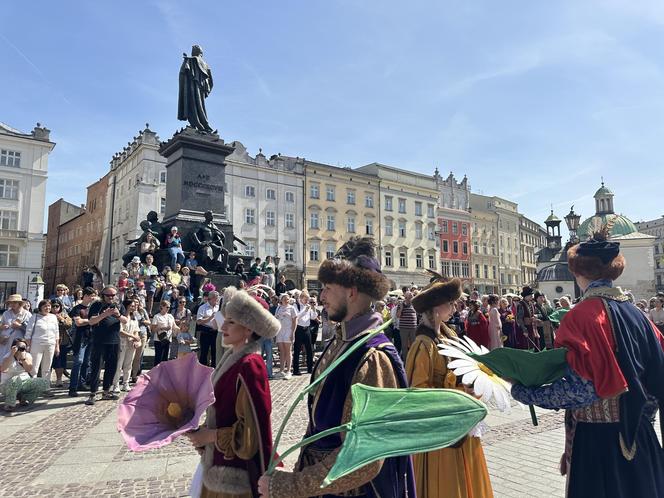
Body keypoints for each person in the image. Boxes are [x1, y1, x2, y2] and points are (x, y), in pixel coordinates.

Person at [511, 227, 664, 497]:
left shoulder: (581, 316)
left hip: (599, 445)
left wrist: (524, 391)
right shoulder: (638, 315)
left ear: (577, 271)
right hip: (640, 438)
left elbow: (581, 390)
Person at [258, 236, 415, 498]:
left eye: (327, 288)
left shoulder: (372, 356)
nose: (321, 297)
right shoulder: (342, 340)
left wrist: (290, 486)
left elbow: (363, 456)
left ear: (351, 291)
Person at [186, 286, 279, 497]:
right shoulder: (232, 358)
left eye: (231, 322)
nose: (222, 327)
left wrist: (209, 436)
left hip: (235, 474)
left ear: (248, 329)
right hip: (217, 463)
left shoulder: (249, 365)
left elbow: (251, 433)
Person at [406, 276, 494, 498]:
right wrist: (460, 392)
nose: (455, 307)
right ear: (436, 308)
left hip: (460, 424)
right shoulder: (422, 345)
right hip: (440, 434)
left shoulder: (447, 335)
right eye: (451, 303)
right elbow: (418, 394)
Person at [85, 286, 127, 405]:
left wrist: (118, 315)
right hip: (99, 341)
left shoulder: (119, 305)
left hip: (114, 341)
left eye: (113, 295)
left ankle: (106, 391)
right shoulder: (97, 305)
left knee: (112, 367)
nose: (111, 298)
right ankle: (93, 393)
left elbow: (125, 320)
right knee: (96, 367)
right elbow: (91, 321)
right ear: (103, 295)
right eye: (108, 295)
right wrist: (105, 314)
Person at [1, 338, 50, 411]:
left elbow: (28, 369)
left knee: (44, 383)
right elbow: (3, 369)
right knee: (15, 380)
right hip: (7, 384)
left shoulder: (27, 356)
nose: (22, 349)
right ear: (13, 347)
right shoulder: (7, 356)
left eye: (24, 347)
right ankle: (9, 404)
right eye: (20, 347)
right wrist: (12, 354)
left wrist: (23, 359)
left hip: (24, 381)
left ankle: (24, 398)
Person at [68, 287, 97, 397]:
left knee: (86, 362)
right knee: (78, 362)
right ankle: (72, 387)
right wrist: (91, 321)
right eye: (90, 296)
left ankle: (82, 383)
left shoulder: (94, 308)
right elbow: (78, 322)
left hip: (91, 337)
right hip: (80, 338)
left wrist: (89, 321)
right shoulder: (77, 308)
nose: (92, 298)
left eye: (93, 296)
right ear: (85, 296)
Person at [25, 300, 60, 383]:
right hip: (37, 344)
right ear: (40, 307)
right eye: (45, 306)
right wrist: (28, 346)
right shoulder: (34, 317)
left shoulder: (53, 317)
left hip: (50, 344)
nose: (47, 308)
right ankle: (33, 387)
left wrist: (57, 346)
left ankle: (46, 387)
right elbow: (28, 333)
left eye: (48, 306)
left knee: (47, 367)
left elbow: (56, 332)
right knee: (34, 367)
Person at [111, 300, 141, 393]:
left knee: (128, 364)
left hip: (131, 344)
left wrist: (136, 338)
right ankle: (115, 384)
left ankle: (125, 383)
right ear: (127, 306)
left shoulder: (134, 318)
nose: (134, 307)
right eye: (132, 306)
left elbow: (136, 329)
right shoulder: (121, 317)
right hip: (122, 342)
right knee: (119, 364)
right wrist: (132, 336)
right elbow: (120, 331)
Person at [0, 294, 32, 373]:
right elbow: (1, 325)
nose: (12, 304)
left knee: (18, 361)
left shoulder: (27, 314)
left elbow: (30, 330)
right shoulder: (6, 313)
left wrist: (20, 326)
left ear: (19, 303)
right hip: (5, 342)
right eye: (11, 303)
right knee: (3, 361)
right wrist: (2, 327)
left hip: (19, 342)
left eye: (15, 302)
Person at [49, 300, 73, 387]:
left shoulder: (64, 315)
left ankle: (59, 380)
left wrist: (61, 319)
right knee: (49, 361)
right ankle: (47, 379)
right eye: (53, 306)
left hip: (62, 341)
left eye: (57, 306)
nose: (55, 308)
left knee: (60, 361)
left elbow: (69, 324)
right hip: (49, 340)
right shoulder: (47, 315)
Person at [292, 291, 316, 376]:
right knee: (297, 350)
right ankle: (296, 370)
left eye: (308, 299)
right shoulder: (296, 306)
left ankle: (310, 369)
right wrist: (304, 311)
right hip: (299, 329)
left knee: (309, 350)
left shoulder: (308, 306)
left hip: (307, 329)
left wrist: (313, 309)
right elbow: (296, 317)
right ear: (301, 298)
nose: (307, 301)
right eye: (306, 299)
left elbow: (313, 317)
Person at [274, 294, 296, 379]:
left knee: (288, 351)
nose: (287, 300)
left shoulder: (292, 308)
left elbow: (295, 321)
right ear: (281, 300)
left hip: (288, 331)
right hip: (280, 331)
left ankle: (289, 370)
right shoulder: (278, 308)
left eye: (288, 299)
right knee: (281, 351)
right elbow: (275, 319)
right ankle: (281, 370)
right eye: (285, 299)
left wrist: (292, 332)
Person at [197, 290, 220, 366]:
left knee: (215, 352)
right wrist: (210, 317)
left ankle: (214, 370)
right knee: (204, 353)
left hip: (216, 332)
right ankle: (202, 371)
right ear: (212, 298)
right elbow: (199, 321)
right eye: (217, 298)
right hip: (206, 332)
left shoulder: (218, 307)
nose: (218, 299)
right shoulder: (202, 307)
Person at [151, 301, 178, 366]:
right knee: (158, 358)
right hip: (159, 340)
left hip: (168, 340)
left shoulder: (170, 316)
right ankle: (156, 374)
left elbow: (174, 327)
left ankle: (163, 374)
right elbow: (153, 329)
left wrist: (183, 331)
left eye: (169, 307)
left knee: (165, 359)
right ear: (162, 307)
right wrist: (163, 328)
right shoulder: (157, 316)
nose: (168, 308)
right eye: (167, 307)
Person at [131, 298, 151, 382]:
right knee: (131, 356)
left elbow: (149, 322)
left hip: (142, 334)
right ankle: (128, 374)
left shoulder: (142, 311)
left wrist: (142, 320)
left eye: (137, 303)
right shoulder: (130, 311)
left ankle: (134, 375)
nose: (136, 304)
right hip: (132, 334)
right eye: (134, 302)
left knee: (138, 356)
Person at [396, 291, 418, 358]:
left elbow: (417, 314)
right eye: (410, 297)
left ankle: (413, 360)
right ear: (405, 297)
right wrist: (401, 308)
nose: (411, 298)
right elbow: (398, 315)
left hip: (413, 328)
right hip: (404, 328)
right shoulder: (401, 304)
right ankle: (405, 362)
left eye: (412, 297)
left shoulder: (414, 304)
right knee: (404, 346)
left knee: (414, 345)